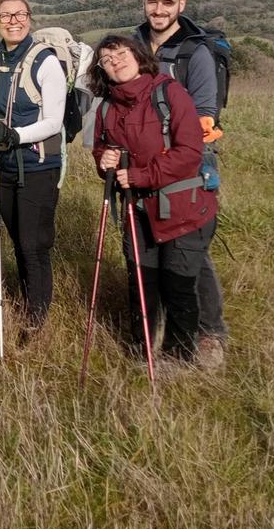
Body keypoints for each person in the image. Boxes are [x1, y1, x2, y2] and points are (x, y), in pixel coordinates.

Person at [89, 35, 218, 366]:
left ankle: (180, 357)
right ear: (101, 69)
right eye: (106, 59)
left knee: (177, 284)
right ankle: (142, 348)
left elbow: (190, 152)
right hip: (138, 209)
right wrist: (104, 159)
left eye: (121, 53)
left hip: (183, 207)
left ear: (138, 55)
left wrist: (139, 176)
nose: (115, 61)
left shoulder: (169, 92)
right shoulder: (106, 106)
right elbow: (102, 149)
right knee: (142, 282)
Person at [134, 0, 227, 369]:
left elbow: (205, 115)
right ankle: (157, 331)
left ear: (181, 6)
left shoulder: (195, 53)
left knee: (190, 254)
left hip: (187, 168)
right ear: (144, 4)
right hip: (143, 169)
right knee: (152, 251)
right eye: (153, 2)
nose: (159, 10)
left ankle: (209, 335)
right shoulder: (134, 46)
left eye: (167, 3)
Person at [0, 0, 66, 332]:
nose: (14, 21)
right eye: (6, 16)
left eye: (20, 14)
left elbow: (54, 120)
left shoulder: (46, 61)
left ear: (30, 18)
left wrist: (14, 136)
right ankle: (30, 297)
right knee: (17, 238)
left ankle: (36, 316)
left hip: (37, 166)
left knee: (32, 243)